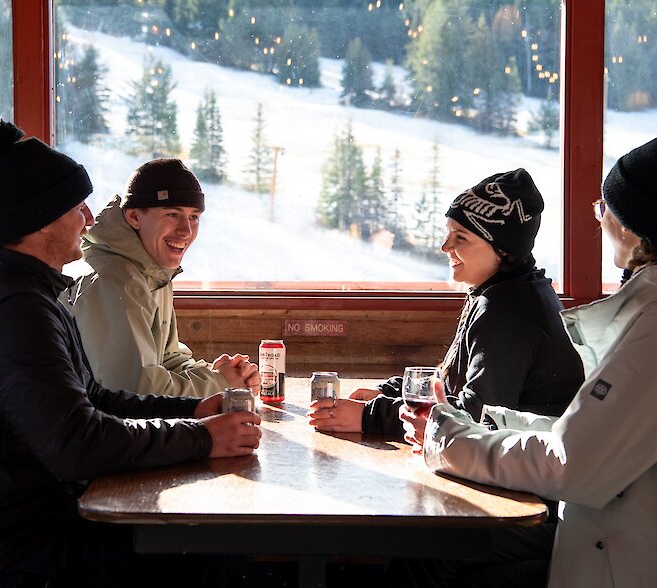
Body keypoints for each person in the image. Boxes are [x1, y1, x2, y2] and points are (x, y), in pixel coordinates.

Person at [0, 120, 261, 587]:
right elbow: (78, 444)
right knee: (215, 561)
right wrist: (202, 438)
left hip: (27, 531)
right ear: (40, 219)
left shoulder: (26, 294)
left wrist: (193, 409)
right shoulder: (13, 312)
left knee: (211, 553)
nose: (89, 219)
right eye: (77, 207)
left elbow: (94, 396)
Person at [401, 138, 657, 587]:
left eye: (605, 206)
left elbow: (570, 462)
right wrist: (492, 425)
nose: (599, 217)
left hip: (622, 554)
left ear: (634, 225)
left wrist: (449, 440)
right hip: (607, 532)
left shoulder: (652, 321)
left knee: (425, 554)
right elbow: (587, 439)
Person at [309, 169, 584, 439]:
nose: (445, 246)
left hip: (523, 470)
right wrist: (392, 392)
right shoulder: (507, 290)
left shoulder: (509, 312)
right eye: (448, 232)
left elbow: (479, 418)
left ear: (502, 249)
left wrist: (372, 417)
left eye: (460, 237)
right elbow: (453, 382)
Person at [65, 158, 259, 398]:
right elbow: (135, 391)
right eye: (172, 214)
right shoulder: (116, 280)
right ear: (134, 217)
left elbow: (167, 359)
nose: (186, 231)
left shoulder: (151, 271)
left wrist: (216, 374)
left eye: (194, 217)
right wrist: (219, 383)